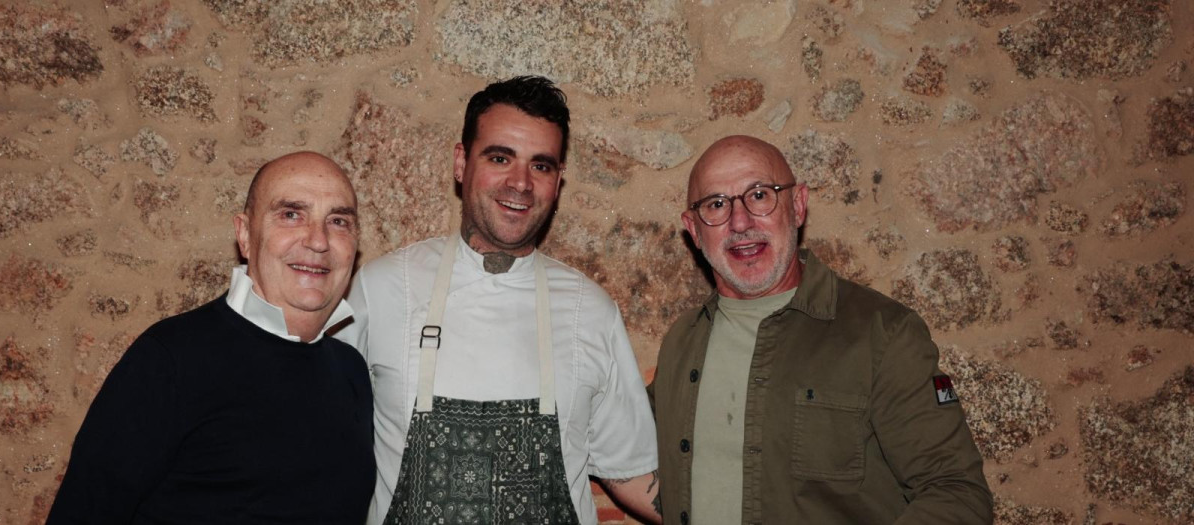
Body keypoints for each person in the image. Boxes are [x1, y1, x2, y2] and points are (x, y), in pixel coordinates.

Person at [338, 76, 661, 525]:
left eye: (541, 166)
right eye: (499, 157)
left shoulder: (591, 311)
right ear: (460, 163)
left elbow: (632, 475)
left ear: (558, 181)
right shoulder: (381, 288)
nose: (521, 183)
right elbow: (314, 441)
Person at [650, 135, 994, 524]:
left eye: (760, 195)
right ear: (693, 230)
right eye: (716, 205)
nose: (741, 222)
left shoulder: (882, 335)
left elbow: (957, 495)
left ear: (797, 205)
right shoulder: (682, 342)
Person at [48, 152, 375, 524]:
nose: (318, 240)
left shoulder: (350, 370)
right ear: (244, 235)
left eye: (338, 221)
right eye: (291, 214)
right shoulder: (169, 360)